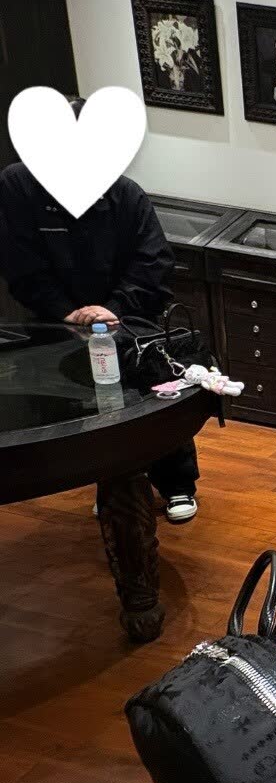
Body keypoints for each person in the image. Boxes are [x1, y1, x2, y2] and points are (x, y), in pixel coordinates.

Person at [0, 98, 200, 522]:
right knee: (87, 404)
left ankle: (177, 484)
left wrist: (112, 308)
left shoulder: (125, 194)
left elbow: (154, 261)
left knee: (153, 390)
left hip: (128, 314)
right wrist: (68, 311)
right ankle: (112, 483)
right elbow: (19, 262)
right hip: (60, 318)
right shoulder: (18, 186)